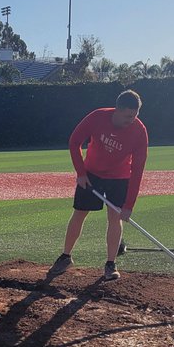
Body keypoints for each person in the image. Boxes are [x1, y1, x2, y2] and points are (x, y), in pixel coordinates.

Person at [57, 89, 148, 281]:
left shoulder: (139, 131)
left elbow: (138, 169)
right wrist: (81, 173)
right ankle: (65, 256)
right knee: (80, 213)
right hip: (92, 175)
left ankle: (110, 263)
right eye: (127, 116)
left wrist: (129, 206)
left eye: (135, 115)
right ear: (117, 109)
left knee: (115, 218)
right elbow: (74, 142)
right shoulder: (97, 117)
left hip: (119, 178)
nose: (131, 120)